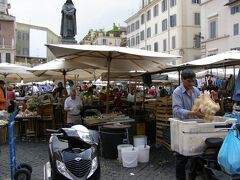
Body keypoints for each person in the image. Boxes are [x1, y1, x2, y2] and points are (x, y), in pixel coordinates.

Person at [172, 69, 204, 180]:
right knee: (181, 158)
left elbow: (201, 104)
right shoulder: (177, 92)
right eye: (189, 81)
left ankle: (192, 176)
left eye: (193, 81)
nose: (191, 83)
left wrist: (204, 108)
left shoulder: (196, 91)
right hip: (182, 127)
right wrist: (193, 113)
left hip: (194, 126)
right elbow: (176, 110)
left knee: (196, 154)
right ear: (183, 80)